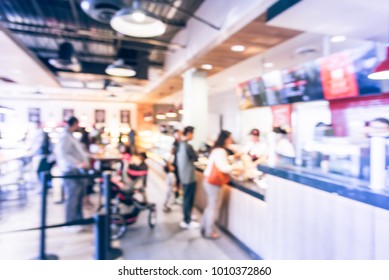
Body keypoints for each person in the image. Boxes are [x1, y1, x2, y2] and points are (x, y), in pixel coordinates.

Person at [54, 116, 90, 233]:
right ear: (74, 124)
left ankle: (78, 220)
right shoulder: (65, 136)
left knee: (78, 196)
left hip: (76, 171)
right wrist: (77, 163)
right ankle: (70, 223)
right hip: (71, 171)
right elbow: (63, 153)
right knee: (73, 197)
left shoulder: (70, 136)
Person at [201, 130, 238, 239]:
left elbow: (220, 162)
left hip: (208, 180)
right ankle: (209, 231)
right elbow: (223, 168)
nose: (231, 140)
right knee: (213, 207)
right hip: (214, 183)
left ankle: (204, 227)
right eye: (230, 138)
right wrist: (236, 167)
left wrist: (233, 157)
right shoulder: (221, 151)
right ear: (226, 139)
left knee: (210, 206)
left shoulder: (216, 149)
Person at [176, 126, 200, 229]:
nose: (193, 136)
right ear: (189, 133)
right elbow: (195, 157)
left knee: (186, 197)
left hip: (183, 175)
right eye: (192, 133)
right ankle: (187, 220)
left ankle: (188, 216)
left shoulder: (180, 144)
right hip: (188, 176)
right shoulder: (187, 146)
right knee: (188, 198)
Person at [171, 129, 182, 204]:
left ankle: (177, 196)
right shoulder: (175, 143)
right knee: (176, 182)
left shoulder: (181, 143)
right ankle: (176, 196)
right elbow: (172, 153)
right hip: (176, 165)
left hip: (180, 165)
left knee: (178, 182)